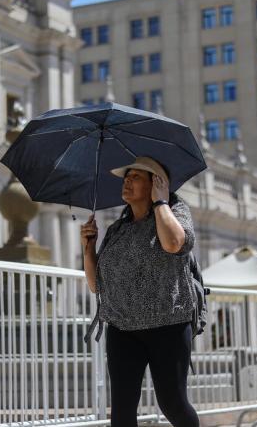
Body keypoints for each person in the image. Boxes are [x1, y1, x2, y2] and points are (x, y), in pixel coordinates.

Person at [81, 156, 199, 427]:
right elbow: (97, 285)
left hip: (168, 325)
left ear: (155, 183)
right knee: (121, 412)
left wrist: (160, 202)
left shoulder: (176, 211)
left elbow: (174, 243)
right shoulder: (117, 229)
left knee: (173, 403)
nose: (127, 181)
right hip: (122, 329)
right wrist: (88, 247)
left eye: (136, 177)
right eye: (126, 176)